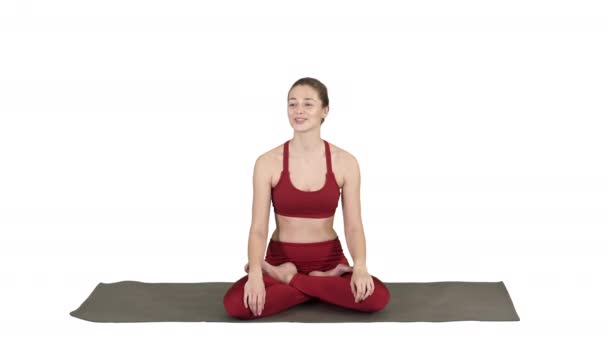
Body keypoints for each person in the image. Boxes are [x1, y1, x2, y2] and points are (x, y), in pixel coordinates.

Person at [223, 77, 390, 319]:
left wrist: (361, 267)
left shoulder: (346, 162)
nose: (299, 111)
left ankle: (289, 279)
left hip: (330, 264)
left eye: (308, 104)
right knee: (236, 305)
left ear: (325, 110)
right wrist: (257, 273)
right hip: (280, 258)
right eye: (292, 104)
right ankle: (317, 286)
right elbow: (258, 228)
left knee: (377, 297)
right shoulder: (267, 162)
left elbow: (353, 226)